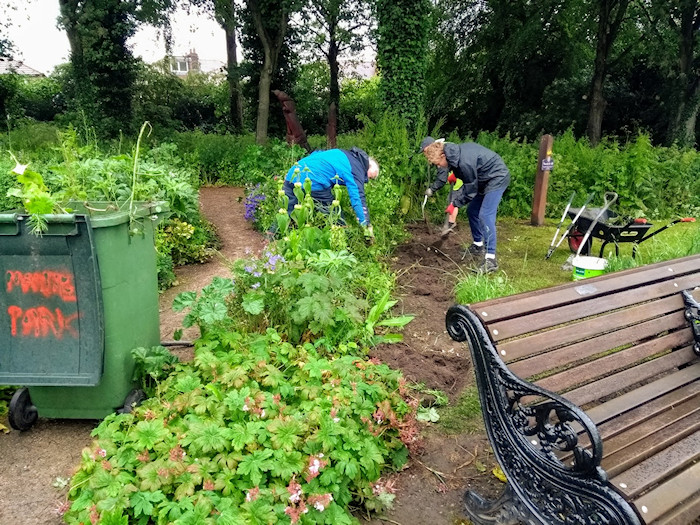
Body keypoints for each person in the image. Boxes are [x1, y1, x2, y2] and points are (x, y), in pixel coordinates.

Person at [419, 136, 510, 273]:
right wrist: (457, 175)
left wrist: (454, 204)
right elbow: (468, 179)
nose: (438, 166)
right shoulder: (453, 156)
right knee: (472, 211)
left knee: (485, 215)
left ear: (443, 156)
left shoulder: (463, 162)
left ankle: (491, 259)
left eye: (438, 163)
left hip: (496, 177)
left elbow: (470, 191)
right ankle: (478, 245)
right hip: (482, 179)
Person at [284, 147, 379, 236]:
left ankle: (270, 237)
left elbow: (316, 154)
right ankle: (340, 244)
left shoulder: (345, 154)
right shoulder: (357, 169)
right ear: (368, 168)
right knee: (336, 217)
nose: (366, 180)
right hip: (314, 180)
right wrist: (366, 225)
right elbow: (358, 198)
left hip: (293, 175)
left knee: (287, 213)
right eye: (370, 177)